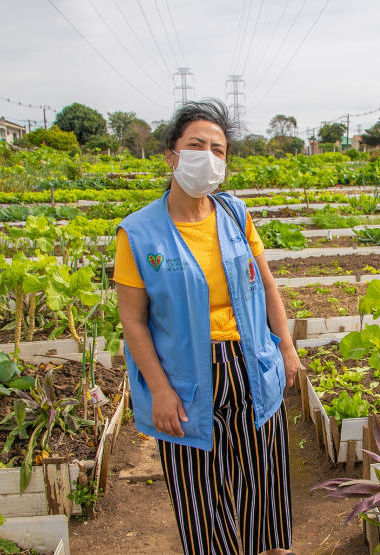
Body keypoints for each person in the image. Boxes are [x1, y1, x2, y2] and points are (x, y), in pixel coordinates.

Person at [114, 98, 299, 555]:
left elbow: (268, 285)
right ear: (171, 155)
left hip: (252, 366)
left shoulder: (235, 213)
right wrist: (159, 390)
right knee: (201, 497)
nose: (209, 157)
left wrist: (287, 348)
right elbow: (133, 321)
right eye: (197, 145)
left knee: (265, 486)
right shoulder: (138, 233)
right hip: (187, 378)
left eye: (219, 149)